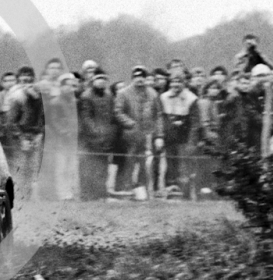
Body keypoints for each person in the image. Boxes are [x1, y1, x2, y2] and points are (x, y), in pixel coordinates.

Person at [114, 66, 162, 201]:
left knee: (146, 164)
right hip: (130, 135)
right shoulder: (123, 93)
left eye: (142, 77)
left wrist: (159, 135)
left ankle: (143, 192)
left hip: (147, 135)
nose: (139, 79)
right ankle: (127, 190)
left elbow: (158, 115)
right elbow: (118, 112)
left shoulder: (152, 94)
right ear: (132, 78)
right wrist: (130, 124)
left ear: (146, 78)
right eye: (136, 76)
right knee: (128, 163)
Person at [157, 72, 200, 199]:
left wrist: (192, 142)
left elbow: (195, 123)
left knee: (183, 166)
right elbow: (160, 118)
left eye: (179, 82)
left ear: (184, 83)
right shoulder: (163, 97)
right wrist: (159, 136)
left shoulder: (191, 98)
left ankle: (184, 194)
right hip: (169, 138)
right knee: (169, 165)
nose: (175, 85)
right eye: (173, 82)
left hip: (184, 139)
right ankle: (169, 192)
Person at [5, 66, 44, 201]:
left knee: (32, 168)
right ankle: (18, 198)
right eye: (23, 75)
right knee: (20, 167)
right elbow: (11, 122)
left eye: (29, 75)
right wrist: (21, 138)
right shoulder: (17, 96)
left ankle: (28, 197)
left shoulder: (39, 97)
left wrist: (38, 134)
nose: (27, 78)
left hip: (35, 136)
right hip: (19, 137)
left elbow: (41, 118)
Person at [78, 68, 116, 200]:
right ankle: (87, 194)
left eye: (104, 79)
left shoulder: (109, 95)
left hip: (105, 139)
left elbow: (111, 116)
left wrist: (109, 133)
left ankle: (100, 193)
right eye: (98, 79)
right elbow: (86, 119)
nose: (101, 82)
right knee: (89, 167)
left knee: (103, 167)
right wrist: (97, 132)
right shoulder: (86, 96)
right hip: (89, 139)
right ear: (93, 80)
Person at [49, 73, 79, 200]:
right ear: (61, 87)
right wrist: (63, 132)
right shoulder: (55, 102)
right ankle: (62, 193)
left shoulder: (75, 101)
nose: (70, 89)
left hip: (73, 140)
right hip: (60, 141)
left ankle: (71, 192)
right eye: (67, 86)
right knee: (61, 168)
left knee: (71, 168)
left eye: (72, 86)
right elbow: (53, 121)